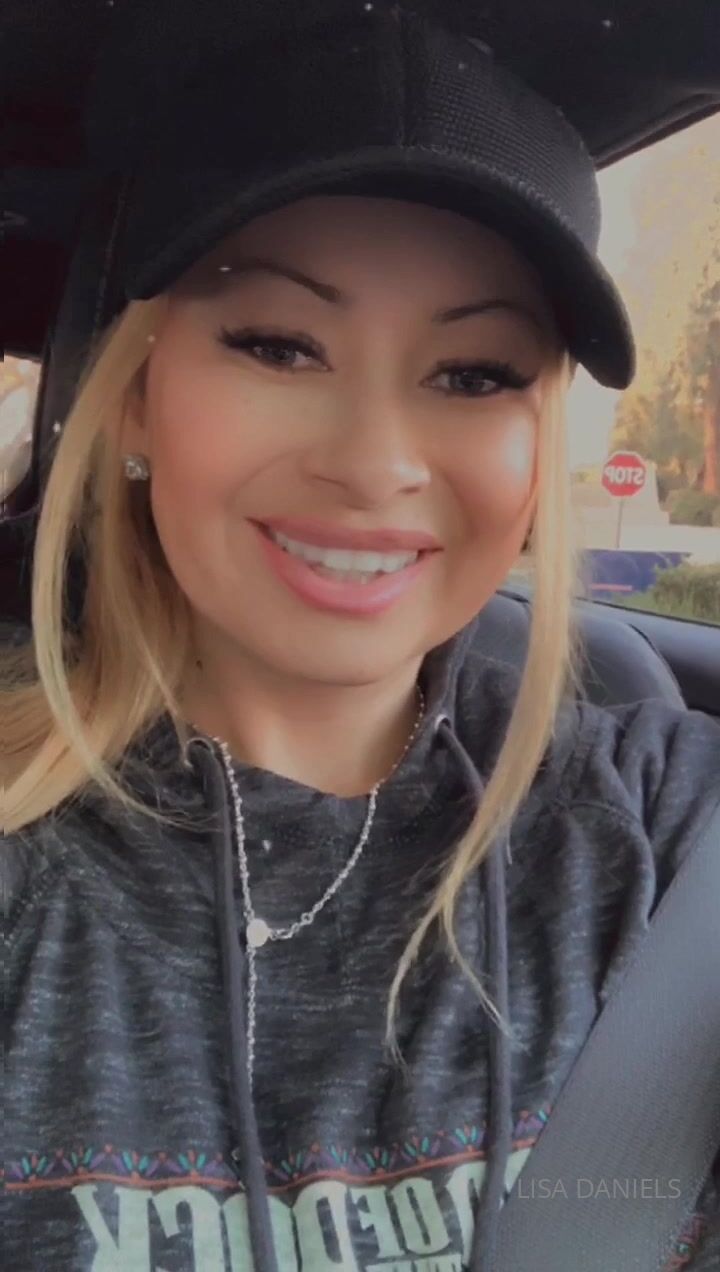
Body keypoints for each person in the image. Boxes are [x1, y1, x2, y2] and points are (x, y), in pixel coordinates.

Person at [3, 6, 719, 1270]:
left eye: (475, 373)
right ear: (138, 402)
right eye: (280, 345)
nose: (378, 463)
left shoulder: (671, 834)